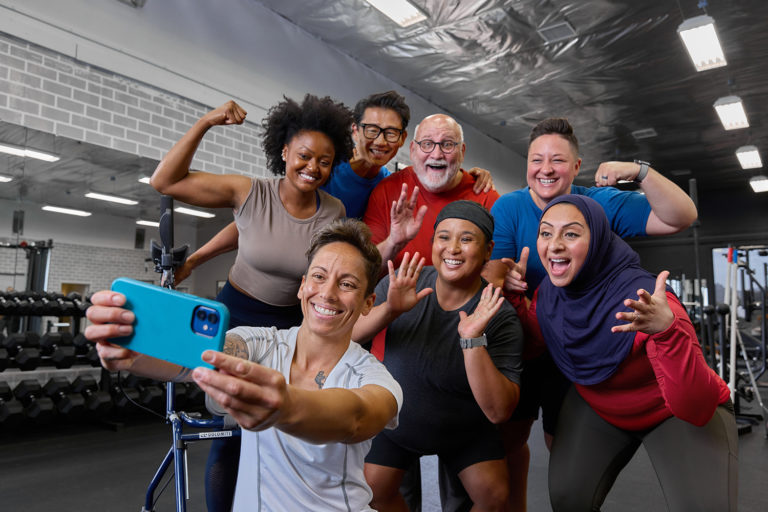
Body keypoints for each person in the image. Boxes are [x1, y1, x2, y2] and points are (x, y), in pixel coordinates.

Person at [85, 219, 404, 511]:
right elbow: (196, 359)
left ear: (368, 303)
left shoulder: (373, 376)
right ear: (302, 286)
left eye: (347, 284)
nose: (328, 293)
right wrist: (131, 354)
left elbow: (356, 418)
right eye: (319, 277)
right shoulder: (260, 343)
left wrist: (286, 406)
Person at [149, 95, 351, 511]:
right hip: (237, 317)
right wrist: (206, 122)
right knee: (232, 432)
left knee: (282, 433)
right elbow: (165, 181)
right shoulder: (250, 192)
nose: (313, 167)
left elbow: (274, 242)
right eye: (304, 156)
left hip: (291, 329)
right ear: (284, 151)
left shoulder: (334, 211)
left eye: (324, 161)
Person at [485, 117, 698, 511]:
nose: (546, 169)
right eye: (536, 159)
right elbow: (492, 269)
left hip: (578, 343)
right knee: (510, 440)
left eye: (557, 160)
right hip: (526, 338)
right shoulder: (510, 207)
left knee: (566, 447)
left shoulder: (599, 203)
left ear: (576, 166)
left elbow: (680, 216)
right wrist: (505, 274)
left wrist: (639, 172)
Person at [506, 195, 736, 512]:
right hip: (600, 404)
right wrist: (513, 295)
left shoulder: (646, 300)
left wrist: (668, 331)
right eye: (546, 232)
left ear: (598, 240)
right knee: (568, 500)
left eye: (570, 234)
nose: (554, 245)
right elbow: (533, 344)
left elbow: (695, 407)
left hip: (672, 410)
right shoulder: (549, 293)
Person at [174, 91, 494, 283]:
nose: (380, 141)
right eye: (371, 129)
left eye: (391, 133)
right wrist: (194, 261)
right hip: (272, 279)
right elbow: (255, 222)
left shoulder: (386, 186)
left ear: (402, 141)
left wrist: (464, 173)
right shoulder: (321, 172)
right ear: (354, 130)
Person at [354, 201, 524, 512]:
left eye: (467, 239)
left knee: (495, 498)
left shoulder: (499, 314)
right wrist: (390, 309)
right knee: (372, 491)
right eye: (444, 237)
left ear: (488, 251)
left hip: (465, 429)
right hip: (397, 421)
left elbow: (499, 412)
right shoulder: (404, 281)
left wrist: (472, 340)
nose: (453, 248)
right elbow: (349, 334)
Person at [363, 113, 500, 273]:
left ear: (462, 151)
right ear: (413, 150)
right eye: (427, 144)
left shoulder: (488, 199)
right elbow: (364, 272)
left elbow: (495, 273)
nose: (436, 154)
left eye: (447, 144)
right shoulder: (387, 190)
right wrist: (393, 242)